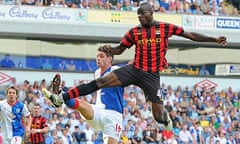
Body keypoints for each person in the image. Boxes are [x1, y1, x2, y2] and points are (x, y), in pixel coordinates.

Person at [44, 2, 227, 128]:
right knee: (100, 81)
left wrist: (214, 39)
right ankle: (62, 97)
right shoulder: (134, 32)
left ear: (151, 13)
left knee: (157, 116)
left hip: (152, 75)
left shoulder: (165, 28)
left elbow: (191, 35)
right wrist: (111, 49)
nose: (140, 18)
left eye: (143, 15)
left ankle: (167, 121)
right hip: (134, 70)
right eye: (138, 15)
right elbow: (120, 50)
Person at [43, 47, 125, 144]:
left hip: (113, 116)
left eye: (101, 56)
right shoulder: (97, 73)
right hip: (99, 111)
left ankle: (60, 98)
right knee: (81, 104)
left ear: (109, 59)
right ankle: (60, 96)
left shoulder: (117, 70)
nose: (98, 58)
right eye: (97, 56)